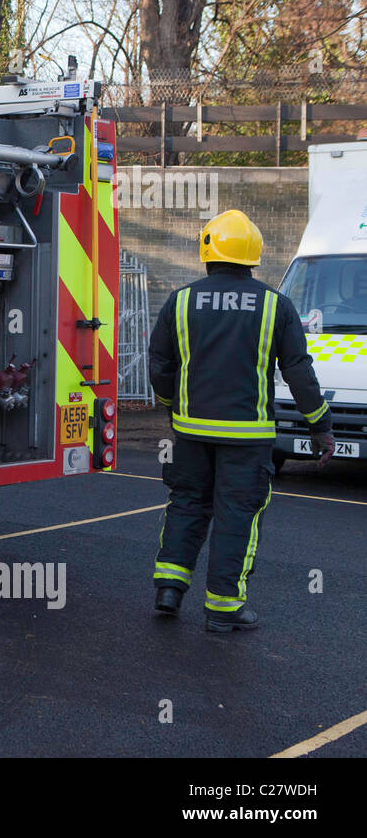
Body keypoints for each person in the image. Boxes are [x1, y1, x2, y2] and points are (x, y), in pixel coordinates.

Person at [147, 209, 334, 633]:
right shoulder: (275, 306)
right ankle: (223, 608)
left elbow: (160, 363)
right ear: (254, 254)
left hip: (191, 433)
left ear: (208, 250)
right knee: (237, 516)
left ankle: (169, 591)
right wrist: (320, 425)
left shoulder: (180, 300)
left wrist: (171, 404)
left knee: (188, 504)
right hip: (248, 439)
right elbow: (298, 371)